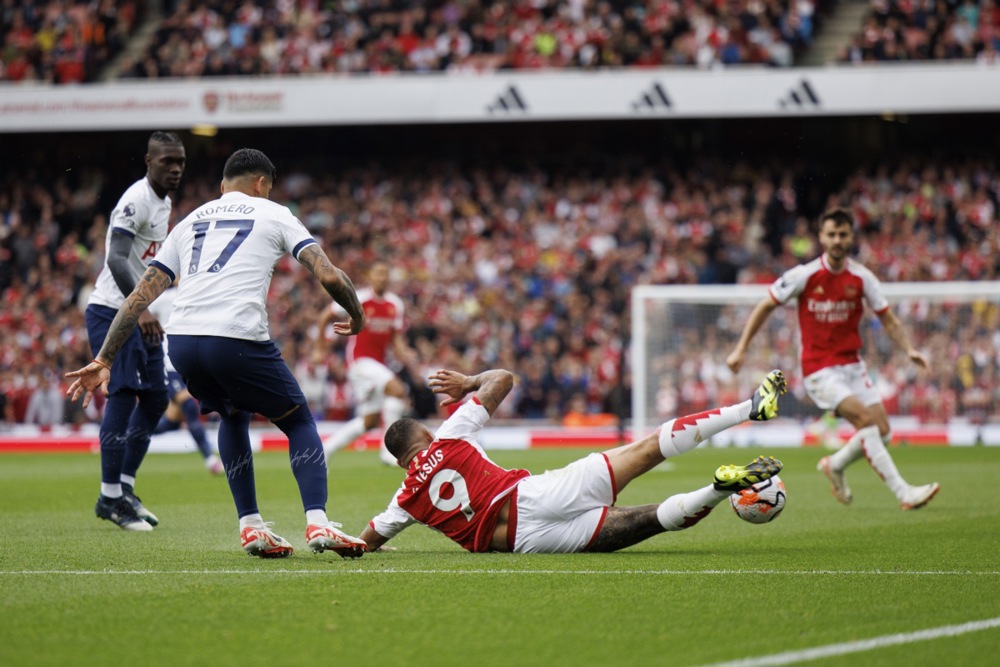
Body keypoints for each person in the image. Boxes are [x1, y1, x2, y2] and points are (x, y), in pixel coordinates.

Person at [68, 148, 368, 559]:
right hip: (236, 338)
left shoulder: (190, 221)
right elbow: (330, 274)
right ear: (262, 184)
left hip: (184, 343)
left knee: (232, 413)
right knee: (298, 419)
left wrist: (103, 358)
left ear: (223, 186)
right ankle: (317, 521)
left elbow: (139, 295)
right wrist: (357, 314)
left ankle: (250, 525)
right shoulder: (275, 212)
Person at [357, 367, 787, 554]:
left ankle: (714, 491)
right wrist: (469, 382)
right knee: (645, 449)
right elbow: (504, 379)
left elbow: (365, 541)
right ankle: (748, 409)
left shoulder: (405, 499)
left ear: (400, 464)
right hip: (532, 496)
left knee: (645, 521)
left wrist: (361, 542)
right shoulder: (448, 434)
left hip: (524, 545)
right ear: (427, 436)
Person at [725, 207, 939, 510]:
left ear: (851, 236)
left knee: (883, 432)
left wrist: (909, 349)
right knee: (865, 422)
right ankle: (904, 492)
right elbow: (766, 305)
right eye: (832, 234)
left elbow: (889, 319)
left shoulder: (862, 278)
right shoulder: (804, 275)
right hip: (819, 369)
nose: (837, 240)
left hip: (853, 365)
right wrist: (741, 348)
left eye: (843, 234)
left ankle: (835, 464)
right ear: (821, 237)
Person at [84, 131, 186, 532]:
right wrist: (140, 306)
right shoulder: (136, 200)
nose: (175, 168)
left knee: (158, 399)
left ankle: (124, 487)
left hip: (137, 311)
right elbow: (116, 257)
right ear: (149, 161)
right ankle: (109, 497)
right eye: (167, 162)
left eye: (180, 161)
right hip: (113, 312)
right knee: (124, 396)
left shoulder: (164, 203)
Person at [317, 260, 417, 465]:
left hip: (379, 364)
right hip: (360, 362)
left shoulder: (395, 304)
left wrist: (404, 352)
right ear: (370, 277)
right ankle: (388, 452)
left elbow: (395, 337)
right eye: (378, 273)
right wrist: (320, 346)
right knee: (397, 390)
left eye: (385, 274)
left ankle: (326, 449)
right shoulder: (359, 298)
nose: (382, 278)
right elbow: (326, 314)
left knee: (370, 421)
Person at [147, 282, 225, 475]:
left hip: (186, 362)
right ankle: (211, 460)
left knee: (171, 422)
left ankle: (128, 434)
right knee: (189, 407)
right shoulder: (166, 298)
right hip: (169, 363)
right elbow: (142, 313)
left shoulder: (196, 294)